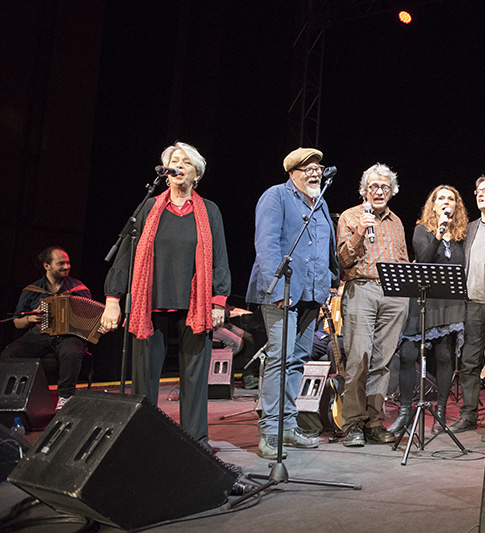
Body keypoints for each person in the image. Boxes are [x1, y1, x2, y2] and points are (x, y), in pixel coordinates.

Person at [101, 142, 230, 447]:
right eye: (174, 161)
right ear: (166, 171)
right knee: (144, 379)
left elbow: (220, 258)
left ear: (196, 173)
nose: (179, 165)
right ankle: (144, 439)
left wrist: (219, 300)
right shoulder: (149, 207)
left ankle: (195, 442)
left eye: (186, 161)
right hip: (150, 303)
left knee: (195, 380)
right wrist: (113, 299)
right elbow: (127, 255)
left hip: (195, 305)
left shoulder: (209, 210)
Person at [245, 147, 340, 460]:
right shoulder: (276, 196)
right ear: (292, 172)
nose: (315, 173)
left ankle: (288, 425)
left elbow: (326, 248)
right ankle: (270, 430)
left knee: (298, 359)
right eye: (307, 168)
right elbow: (267, 244)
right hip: (282, 292)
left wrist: (328, 282)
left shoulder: (321, 203)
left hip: (312, 293)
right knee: (280, 357)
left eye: (318, 167)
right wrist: (277, 287)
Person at [336, 163, 410, 447]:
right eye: (374, 187)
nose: (379, 191)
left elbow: (402, 260)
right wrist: (359, 233)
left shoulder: (397, 222)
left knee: (382, 362)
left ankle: (374, 422)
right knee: (359, 359)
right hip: (362, 289)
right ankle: (353, 424)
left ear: (392, 191)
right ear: (364, 190)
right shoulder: (351, 216)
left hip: (393, 295)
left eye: (384, 187)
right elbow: (343, 260)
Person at [389, 185, 468, 435]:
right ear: (433, 205)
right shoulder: (421, 230)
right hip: (422, 300)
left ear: (457, 205)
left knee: (444, 356)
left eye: (451, 199)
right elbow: (423, 260)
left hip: (448, 303)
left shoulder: (464, 234)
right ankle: (404, 413)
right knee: (409, 355)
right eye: (441, 198)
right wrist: (440, 231)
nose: (446, 202)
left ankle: (441, 414)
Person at [447, 176, 485, 433]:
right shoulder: (470, 228)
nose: (481, 194)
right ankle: (468, 415)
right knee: (470, 363)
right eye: (478, 190)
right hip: (472, 304)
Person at [1, 247, 91, 409]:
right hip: (39, 334)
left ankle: (65, 396)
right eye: (61, 263)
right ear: (46, 266)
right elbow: (17, 322)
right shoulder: (32, 290)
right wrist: (30, 318)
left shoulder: (79, 289)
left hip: (67, 335)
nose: (66, 266)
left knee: (72, 350)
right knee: (10, 353)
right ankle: (15, 397)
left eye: (68, 263)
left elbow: (89, 316)